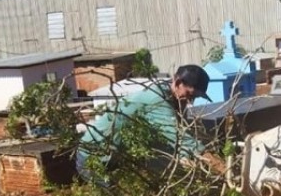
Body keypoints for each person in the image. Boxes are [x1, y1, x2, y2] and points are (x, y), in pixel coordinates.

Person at [76, 64, 212, 181]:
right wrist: (221, 166)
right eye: (190, 95)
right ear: (177, 83)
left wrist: (184, 156)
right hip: (93, 156)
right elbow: (180, 138)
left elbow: (170, 139)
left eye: (195, 97)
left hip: (116, 157)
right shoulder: (156, 100)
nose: (191, 101)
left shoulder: (171, 97)